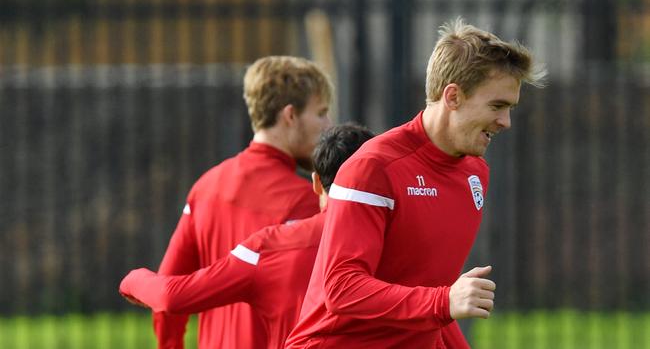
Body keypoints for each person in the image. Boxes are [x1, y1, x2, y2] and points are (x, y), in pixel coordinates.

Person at [285, 18, 546, 348]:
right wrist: (443, 302)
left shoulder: (475, 173)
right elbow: (341, 289)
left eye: (509, 108)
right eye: (497, 106)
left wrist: (444, 305)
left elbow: (431, 302)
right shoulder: (373, 167)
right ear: (453, 96)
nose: (505, 122)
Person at [119, 123, 375, 349]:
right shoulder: (405, 242)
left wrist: (132, 279)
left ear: (317, 183)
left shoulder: (271, 246)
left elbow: (171, 296)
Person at [155, 56, 333, 349]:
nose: (328, 125)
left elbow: (167, 295)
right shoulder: (306, 202)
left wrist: (170, 344)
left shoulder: (205, 187)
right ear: (290, 115)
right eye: (321, 113)